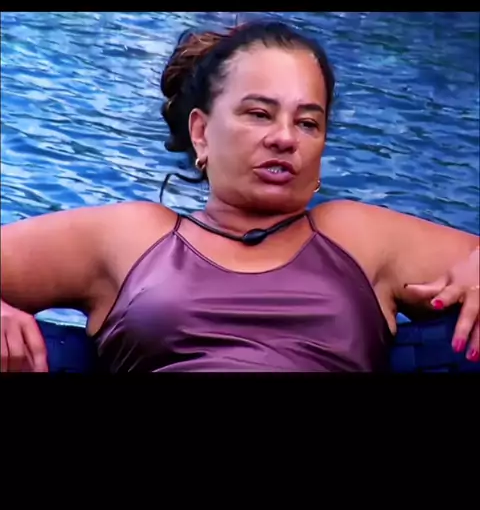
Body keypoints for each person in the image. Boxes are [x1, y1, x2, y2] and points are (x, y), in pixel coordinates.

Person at [1, 19, 479, 373]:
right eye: (259, 114)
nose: (285, 138)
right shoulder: (131, 237)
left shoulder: (359, 238)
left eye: (307, 123)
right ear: (202, 133)